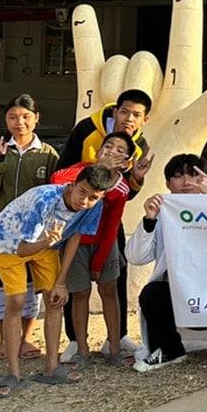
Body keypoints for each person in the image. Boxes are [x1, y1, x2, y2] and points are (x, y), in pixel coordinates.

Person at [0, 164, 111, 397]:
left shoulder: (94, 206)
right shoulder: (44, 200)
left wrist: (61, 282)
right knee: (16, 301)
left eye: (93, 197)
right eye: (81, 192)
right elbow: (23, 249)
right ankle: (13, 372)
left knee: (55, 299)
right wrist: (46, 242)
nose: (84, 202)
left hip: (46, 245)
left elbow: (74, 236)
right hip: (10, 244)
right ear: (72, 185)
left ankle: (52, 367)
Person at [57, 87, 151, 361]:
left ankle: (117, 337)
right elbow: (63, 171)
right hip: (75, 221)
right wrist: (100, 167)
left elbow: (128, 193)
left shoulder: (138, 144)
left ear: (144, 119)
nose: (129, 119)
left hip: (109, 222)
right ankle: (75, 340)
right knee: (76, 286)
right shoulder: (86, 128)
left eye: (137, 115)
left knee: (115, 278)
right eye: (124, 112)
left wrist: (136, 179)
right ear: (115, 111)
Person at [0, 95, 59, 362]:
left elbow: (56, 193)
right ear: (6, 120)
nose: (19, 123)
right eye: (13, 117)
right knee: (1, 290)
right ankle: (3, 340)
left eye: (25, 117)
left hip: (33, 237)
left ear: (36, 118)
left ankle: (25, 339)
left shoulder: (48, 154)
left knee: (29, 290)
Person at [127, 153, 207, 372]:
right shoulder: (162, 213)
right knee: (152, 294)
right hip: (177, 291)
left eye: (194, 175)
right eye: (178, 176)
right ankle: (169, 350)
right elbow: (135, 257)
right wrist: (149, 221)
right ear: (169, 183)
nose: (187, 182)